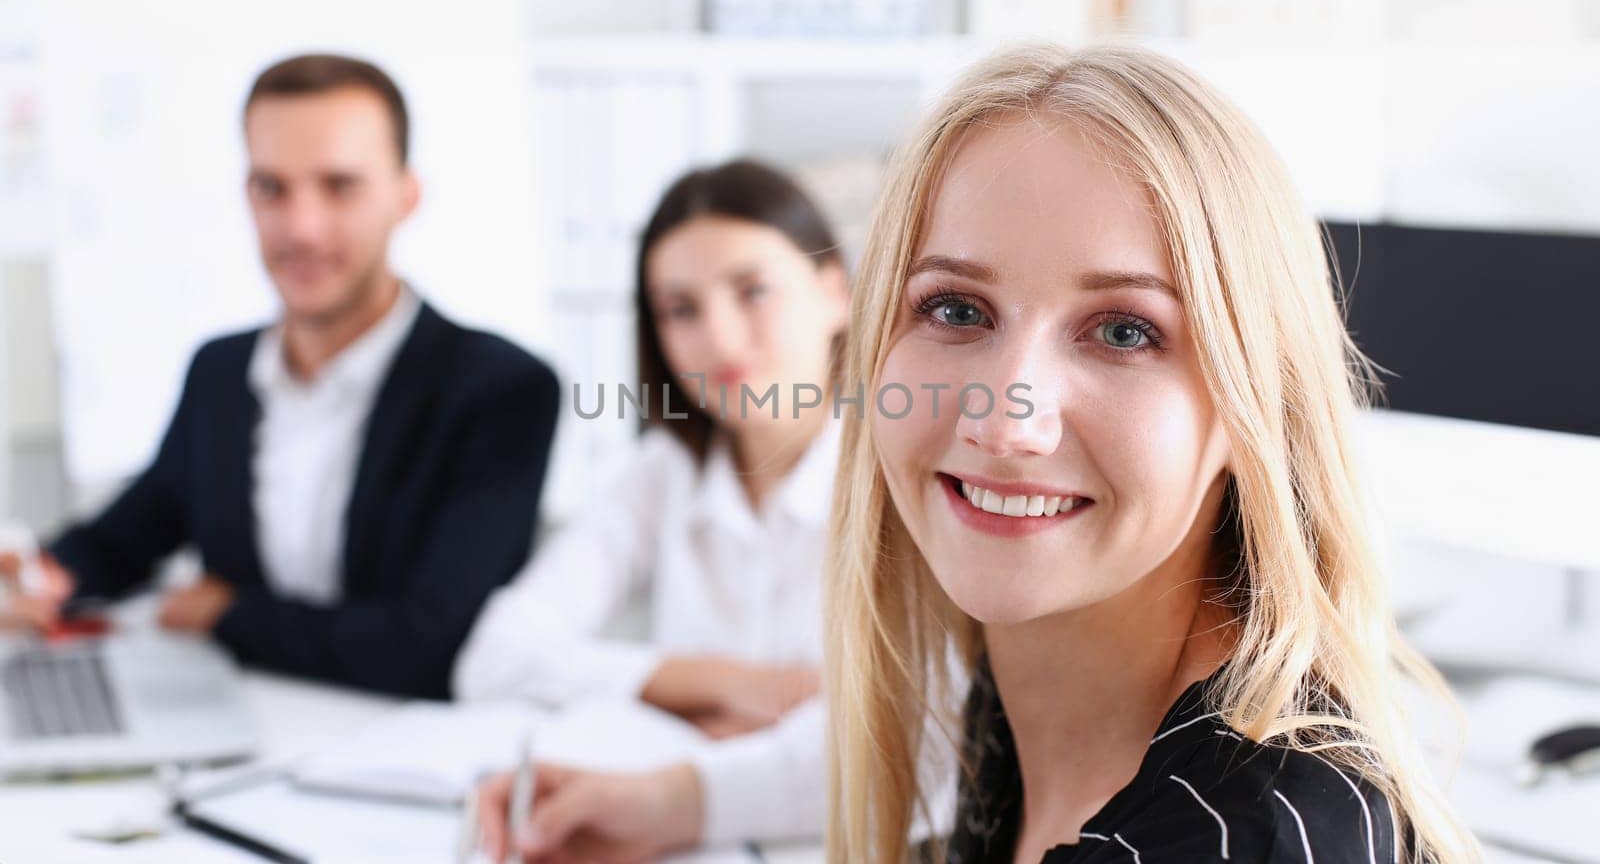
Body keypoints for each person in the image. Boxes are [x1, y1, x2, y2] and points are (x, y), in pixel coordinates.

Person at [825, 45, 1482, 863]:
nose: (1005, 424)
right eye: (957, 309)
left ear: (1255, 410)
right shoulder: (1032, 677)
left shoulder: (1244, 839)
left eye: (1124, 331)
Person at [0, 53, 560, 699]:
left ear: (406, 196)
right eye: (272, 187)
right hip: (242, 738)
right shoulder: (221, 371)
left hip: (414, 759)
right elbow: (129, 534)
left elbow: (431, 645)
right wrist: (47, 575)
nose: (301, 228)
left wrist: (226, 612)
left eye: (339, 186)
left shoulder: (500, 390)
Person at [457, 159, 850, 861]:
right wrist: (715, 684)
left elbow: (904, 741)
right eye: (681, 309)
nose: (721, 340)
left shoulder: (906, 482)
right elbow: (493, 659)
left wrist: (688, 751)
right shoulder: (660, 477)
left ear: (836, 294)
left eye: (753, 290)